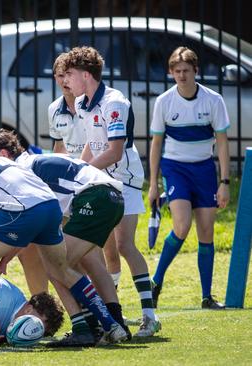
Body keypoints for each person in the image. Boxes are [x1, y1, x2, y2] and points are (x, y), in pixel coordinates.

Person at [0, 156, 129, 348]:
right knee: (61, 269)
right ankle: (111, 325)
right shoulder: (3, 167)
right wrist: (3, 259)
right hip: (51, 207)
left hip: (38, 206)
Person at [0, 129, 133, 344]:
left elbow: (24, 225)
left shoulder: (20, 171)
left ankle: (86, 328)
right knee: (87, 260)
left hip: (94, 198)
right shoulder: (35, 161)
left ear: (3, 155)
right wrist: (5, 257)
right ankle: (115, 323)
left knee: (55, 265)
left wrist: (0, 256)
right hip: (112, 197)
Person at [62, 46, 161, 337]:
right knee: (99, 248)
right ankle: (108, 312)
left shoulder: (114, 102)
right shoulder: (82, 102)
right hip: (99, 179)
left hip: (125, 179)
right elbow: (93, 143)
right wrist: (77, 173)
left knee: (124, 245)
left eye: (69, 74)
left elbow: (116, 151)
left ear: (85, 74)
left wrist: (85, 171)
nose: (65, 81)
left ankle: (149, 316)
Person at [148, 47, 230, 310]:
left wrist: (224, 182)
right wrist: (153, 184)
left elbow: (222, 141)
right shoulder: (164, 101)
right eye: (177, 71)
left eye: (186, 70)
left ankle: (207, 296)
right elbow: (156, 143)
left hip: (205, 170)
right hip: (175, 169)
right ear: (171, 73)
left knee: (206, 232)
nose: (181, 75)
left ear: (196, 70)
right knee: (182, 227)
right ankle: (155, 283)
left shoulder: (213, 100)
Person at [48, 53, 86, 158]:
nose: (65, 81)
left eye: (69, 75)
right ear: (55, 78)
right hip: (76, 169)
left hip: (100, 169)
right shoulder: (53, 108)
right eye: (60, 75)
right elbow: (59, 146)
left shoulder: (92, 104)